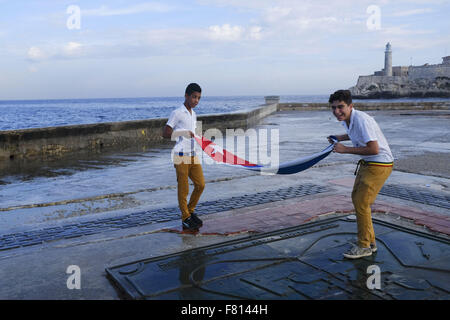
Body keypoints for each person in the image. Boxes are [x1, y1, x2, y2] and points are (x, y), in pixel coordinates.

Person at [328, 89, 393, 259]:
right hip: (369, 163)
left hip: (379, 164)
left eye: (340, 107)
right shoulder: (349, 120)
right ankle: (369, 242)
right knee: (358, 200)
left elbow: (373, 149)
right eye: (333, 108)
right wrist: (338, 138)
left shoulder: (362, 120)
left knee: (362, 203)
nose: (337, 112)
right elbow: (353, 134)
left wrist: (345, 150)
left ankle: (364, 246)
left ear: (351, 106)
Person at [163, 83, 205, 231]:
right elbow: (166, 133)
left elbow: (196, 135)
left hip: (193, 155)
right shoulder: (177, 113)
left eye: (199, 98)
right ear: (186, 96)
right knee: (184, 189)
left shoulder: (194, 114)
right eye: (194, 97)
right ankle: (185, 217)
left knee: (200, 185)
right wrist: (182, 133)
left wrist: (203, 142)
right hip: (180, 156)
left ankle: (190, 211)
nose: (196, 101)